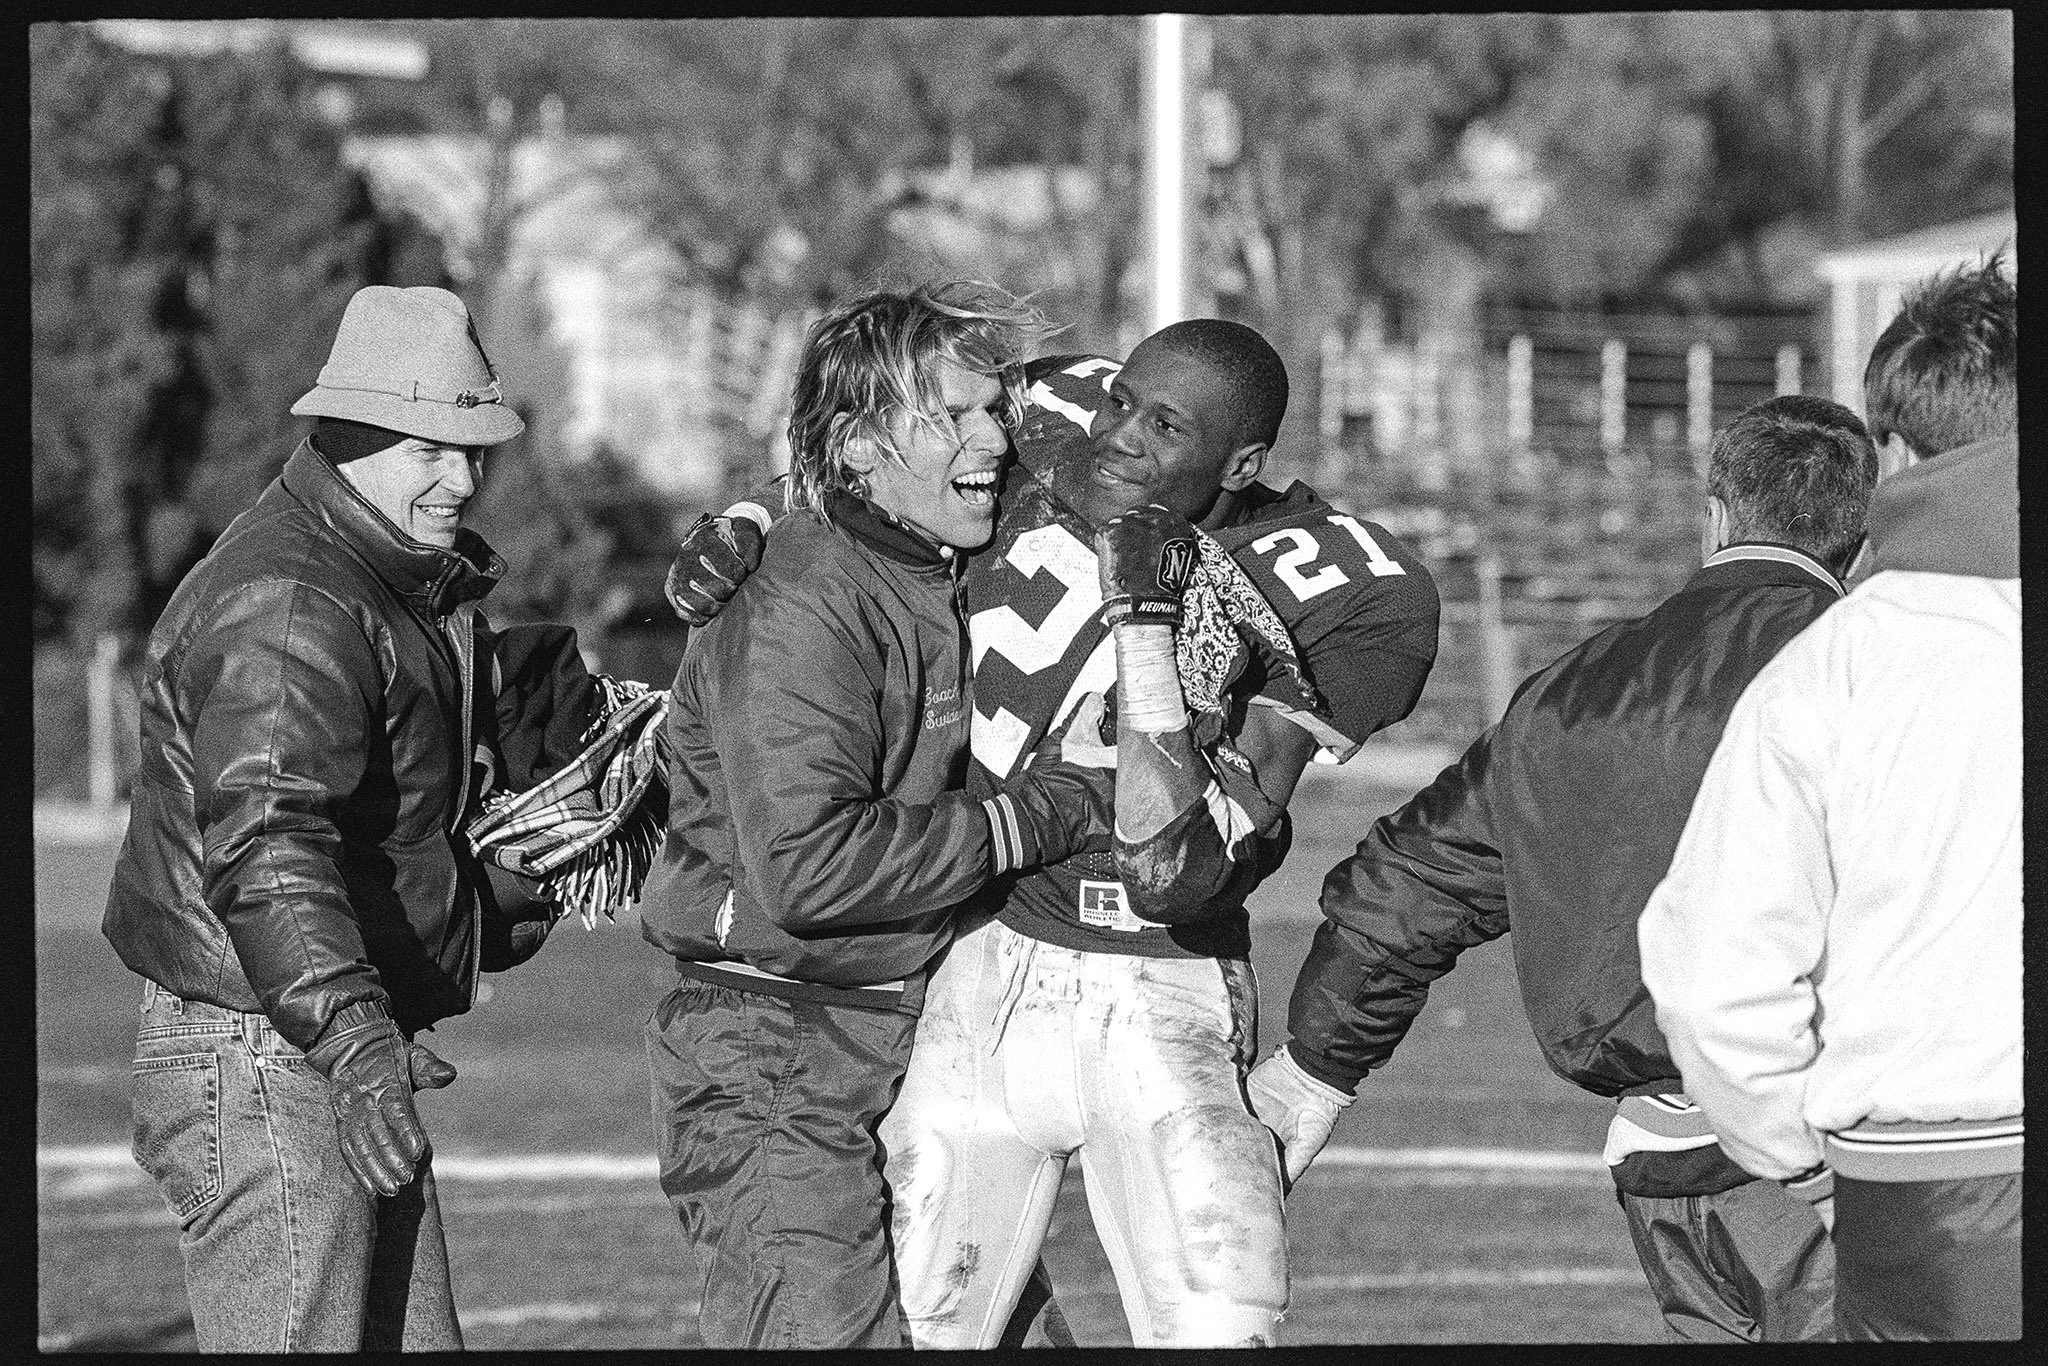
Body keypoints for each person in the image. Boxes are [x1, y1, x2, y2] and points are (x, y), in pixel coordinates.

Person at [671, 320, 1441, 1346]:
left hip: (1158, 977)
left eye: (1160, 425)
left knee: (1221, 1307)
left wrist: (1156, 656)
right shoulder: (1050, 412)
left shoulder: (1347, 581)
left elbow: (1192, 859)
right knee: (919, 1317)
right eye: (1121, 401)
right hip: (975, 954)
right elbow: (873, 450)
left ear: (1242, 462)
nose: (1116, 435)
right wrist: (754, 508)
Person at [1248, 394, 1883, 1342]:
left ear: (1713, 516)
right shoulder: (1869, 667)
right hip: (1827, 1146)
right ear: (1859, 539)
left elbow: (1411, 882)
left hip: (1662, 1160)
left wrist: (1314, 1069)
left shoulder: (1572, 687)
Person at [638, 281, 1118, 1350]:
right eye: (952, 415)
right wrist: (1039, 817)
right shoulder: (801, 599)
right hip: (778, 1054)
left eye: (994, 409)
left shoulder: (925, 557)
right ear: (860, 447)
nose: (992, 437)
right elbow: (809, 869)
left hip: (898, 1037)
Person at [103, 285, 528, 1351]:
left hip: (312, 1035)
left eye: (475, 447)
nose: (463, 476)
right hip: (265, 1050)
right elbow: (267, 845)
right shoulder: (294, 596)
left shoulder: (363, 572)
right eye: (433, 445)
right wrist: (353, 1038)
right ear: (347, 433)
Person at [1638, 257, 2019, 1341]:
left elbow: (1712, 976)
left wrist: (1798, 1165)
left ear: (1892, 452)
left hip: (1932, 1188)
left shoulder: (1832, 668)